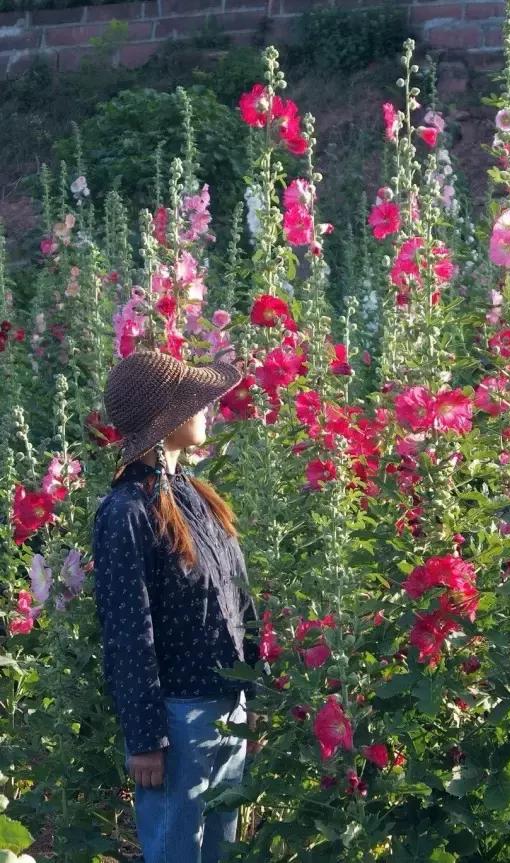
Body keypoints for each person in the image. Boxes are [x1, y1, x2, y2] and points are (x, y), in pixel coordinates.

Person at [91, 347, 263, 863]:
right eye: (195, 400)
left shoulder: (198, 496)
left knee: (219, 851)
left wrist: (253, 696)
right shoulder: (126, 510)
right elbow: (128, 630)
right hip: (177, 721)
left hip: (226, 708)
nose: (206, 408)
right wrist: (144, 737)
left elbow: (239, 598)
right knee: (175, 852)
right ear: (165, 419)